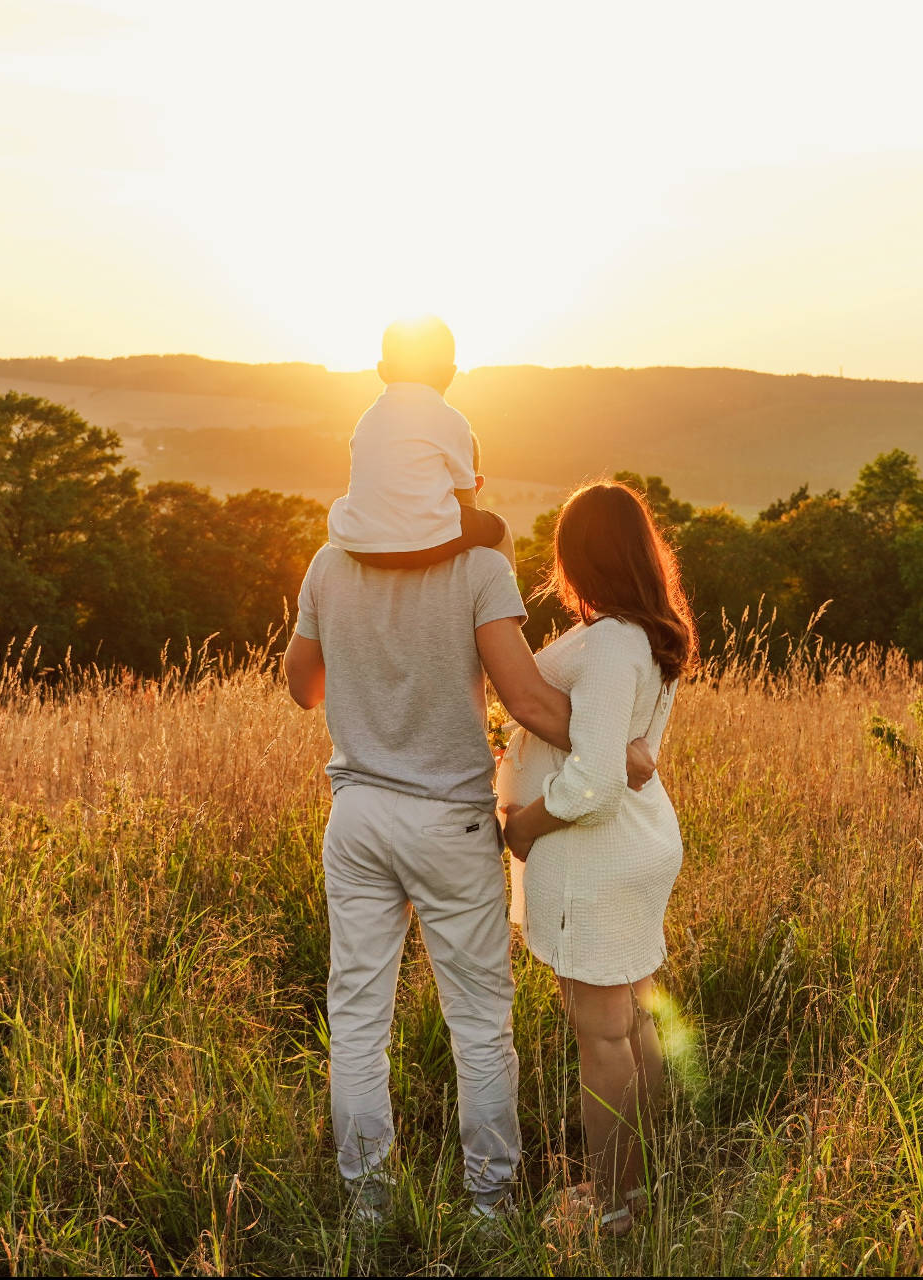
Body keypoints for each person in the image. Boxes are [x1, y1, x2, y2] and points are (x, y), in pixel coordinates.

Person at [283, 323, 654, 1226]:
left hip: (357, 812)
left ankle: (368, 1206)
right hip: (449, 817)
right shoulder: (481, 565)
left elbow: (302, 687)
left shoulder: (329, 562)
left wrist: (364, 650)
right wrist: (619, 748)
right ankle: (490, 1206)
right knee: (478, 1024)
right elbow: (526, 700)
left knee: (358, 1017)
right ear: (454, 460)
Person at [497, 480, 694, 1238]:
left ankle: (613, 1209)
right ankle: (640, 1190)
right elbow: (636, 752)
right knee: (632, 1018)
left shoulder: (613, 641)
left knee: (604, 1033)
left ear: (580, 556)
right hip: (630, 847)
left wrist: (524, 827)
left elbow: (601, 778)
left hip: (598, 853)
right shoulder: (647, 632)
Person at [326, 314, 515, 570]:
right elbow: (465, 499)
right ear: (450, 375)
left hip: (360, 547)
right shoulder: (451, 419)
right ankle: (506, 595)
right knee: (499, 529)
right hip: (423, 545)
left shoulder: (366, 420)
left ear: (382, 371)